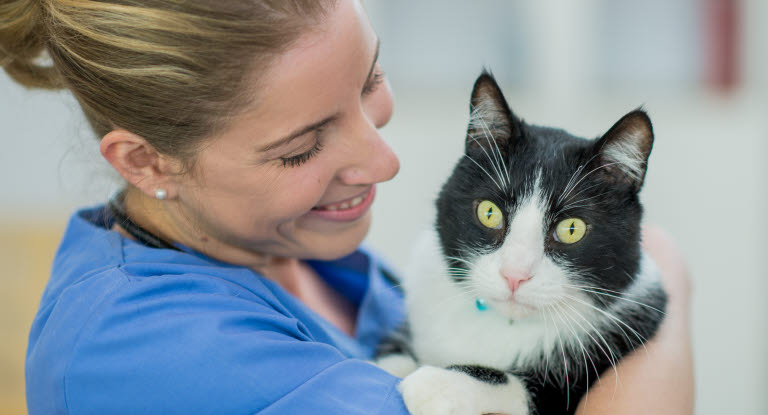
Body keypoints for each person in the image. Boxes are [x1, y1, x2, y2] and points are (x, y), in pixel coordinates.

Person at [1, 0, 693, 413]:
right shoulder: (145, 356)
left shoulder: (294, 245)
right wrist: (668, 281)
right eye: (302, 147)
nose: (384, 162)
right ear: (148, 161)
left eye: (371, 80)